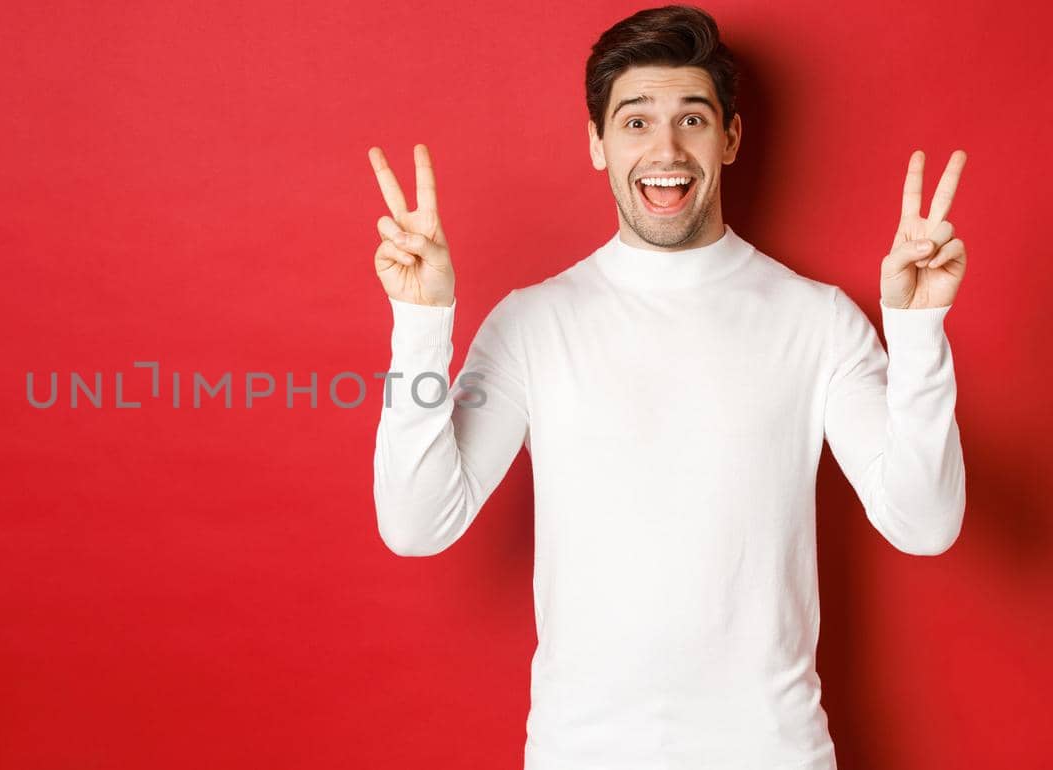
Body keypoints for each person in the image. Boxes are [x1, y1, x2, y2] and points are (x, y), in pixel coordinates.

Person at [365, 5, 967, 768]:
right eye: (636, 121)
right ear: (597, 143)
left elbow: (926, 524)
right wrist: (420, 325)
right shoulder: (532, 324)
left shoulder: (817, 322)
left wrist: (917, 334)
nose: (667, 148)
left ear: (731, 138)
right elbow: (417, 525)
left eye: (692, 117)